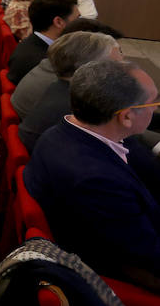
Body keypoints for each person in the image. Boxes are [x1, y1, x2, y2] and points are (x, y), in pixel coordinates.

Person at [24, 60, 160, 292]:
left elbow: (145, 168)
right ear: (126, 117)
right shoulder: (96, 181)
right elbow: (147, 253)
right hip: (120, 273)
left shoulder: (73, 129)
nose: (156, 109)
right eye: (154, 103)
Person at [16, 31, 123, 151]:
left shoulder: (59, 88)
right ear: (90, 68)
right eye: (116, 67)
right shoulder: (79, 109)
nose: (123, 73)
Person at [5, 0, 79, 84]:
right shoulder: (45, 64)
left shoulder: (31, 43)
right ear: (59, 22)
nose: (80, 24)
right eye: (77, 19)